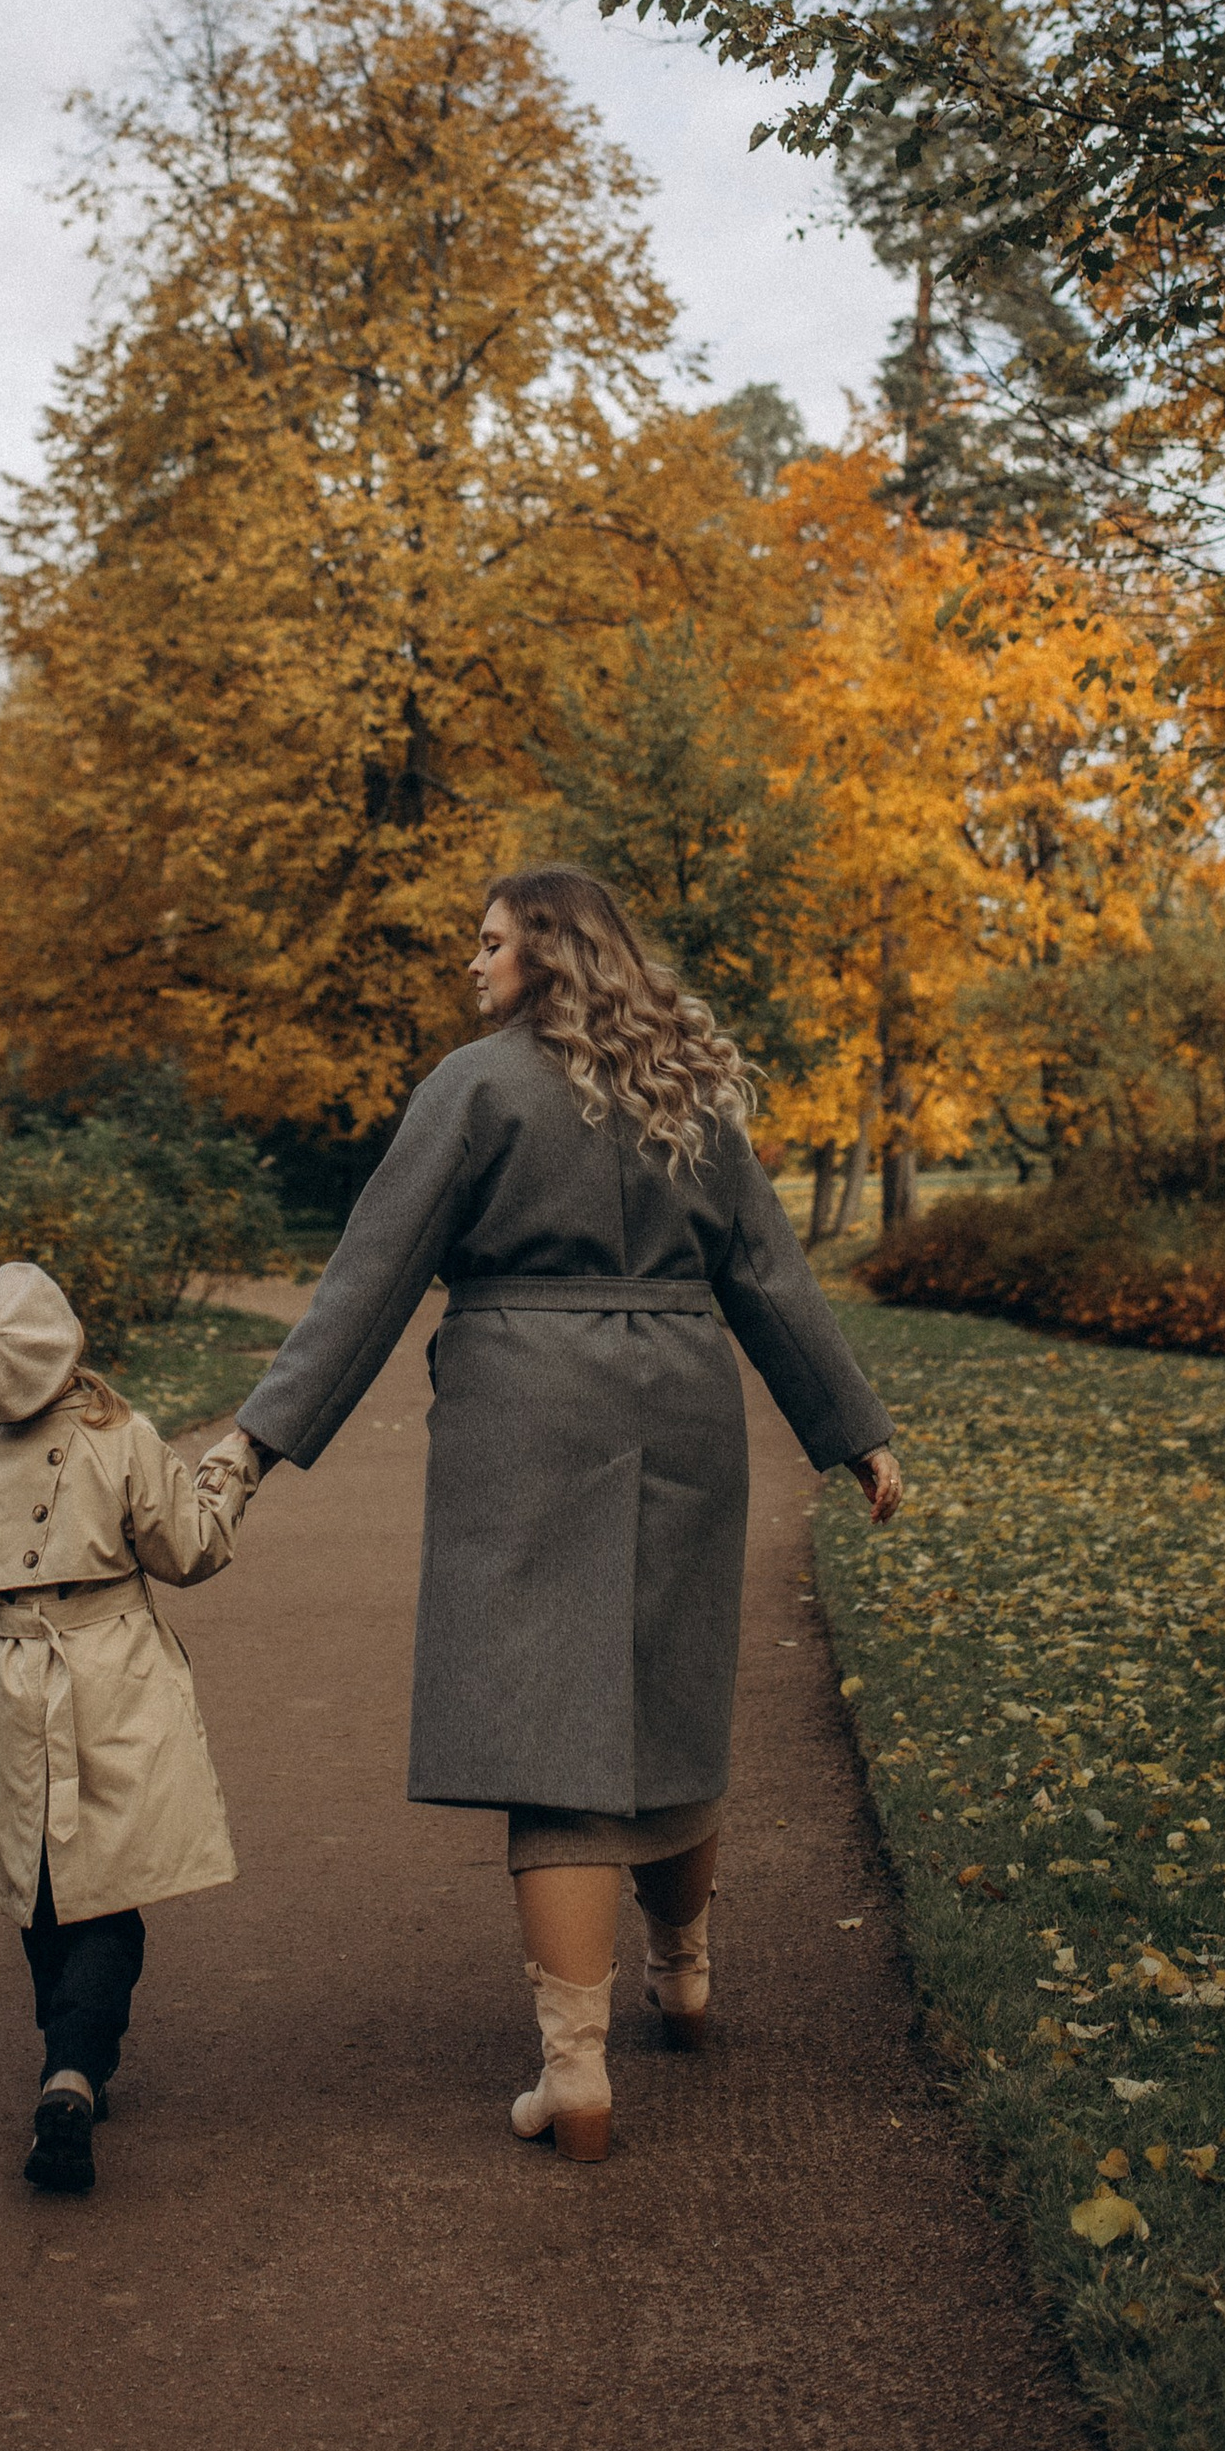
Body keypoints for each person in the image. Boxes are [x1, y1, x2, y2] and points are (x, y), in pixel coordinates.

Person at [230, 865, 903, 2163]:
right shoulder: (687, 1089)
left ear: (543, 951)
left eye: (488, 945)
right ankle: (688, 1974)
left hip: (527, 1414)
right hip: (685, 1402)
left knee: (552, 1728)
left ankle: (577, 2076)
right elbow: (763, 1268)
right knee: (668, 1690)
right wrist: (851, 1428)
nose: (472, 967)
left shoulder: (475, 1086)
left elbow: (371, 1276)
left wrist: (260, 1442)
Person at [0, 1259, 261, 2192]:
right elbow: (188, 1549)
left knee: (45, 1876)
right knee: (111, 1878)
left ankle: (67, 2055)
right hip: (116, 1674)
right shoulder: (125, 1438)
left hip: (22, 1682)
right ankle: (73, 2069)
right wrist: (229, 1475)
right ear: (65, 1345)